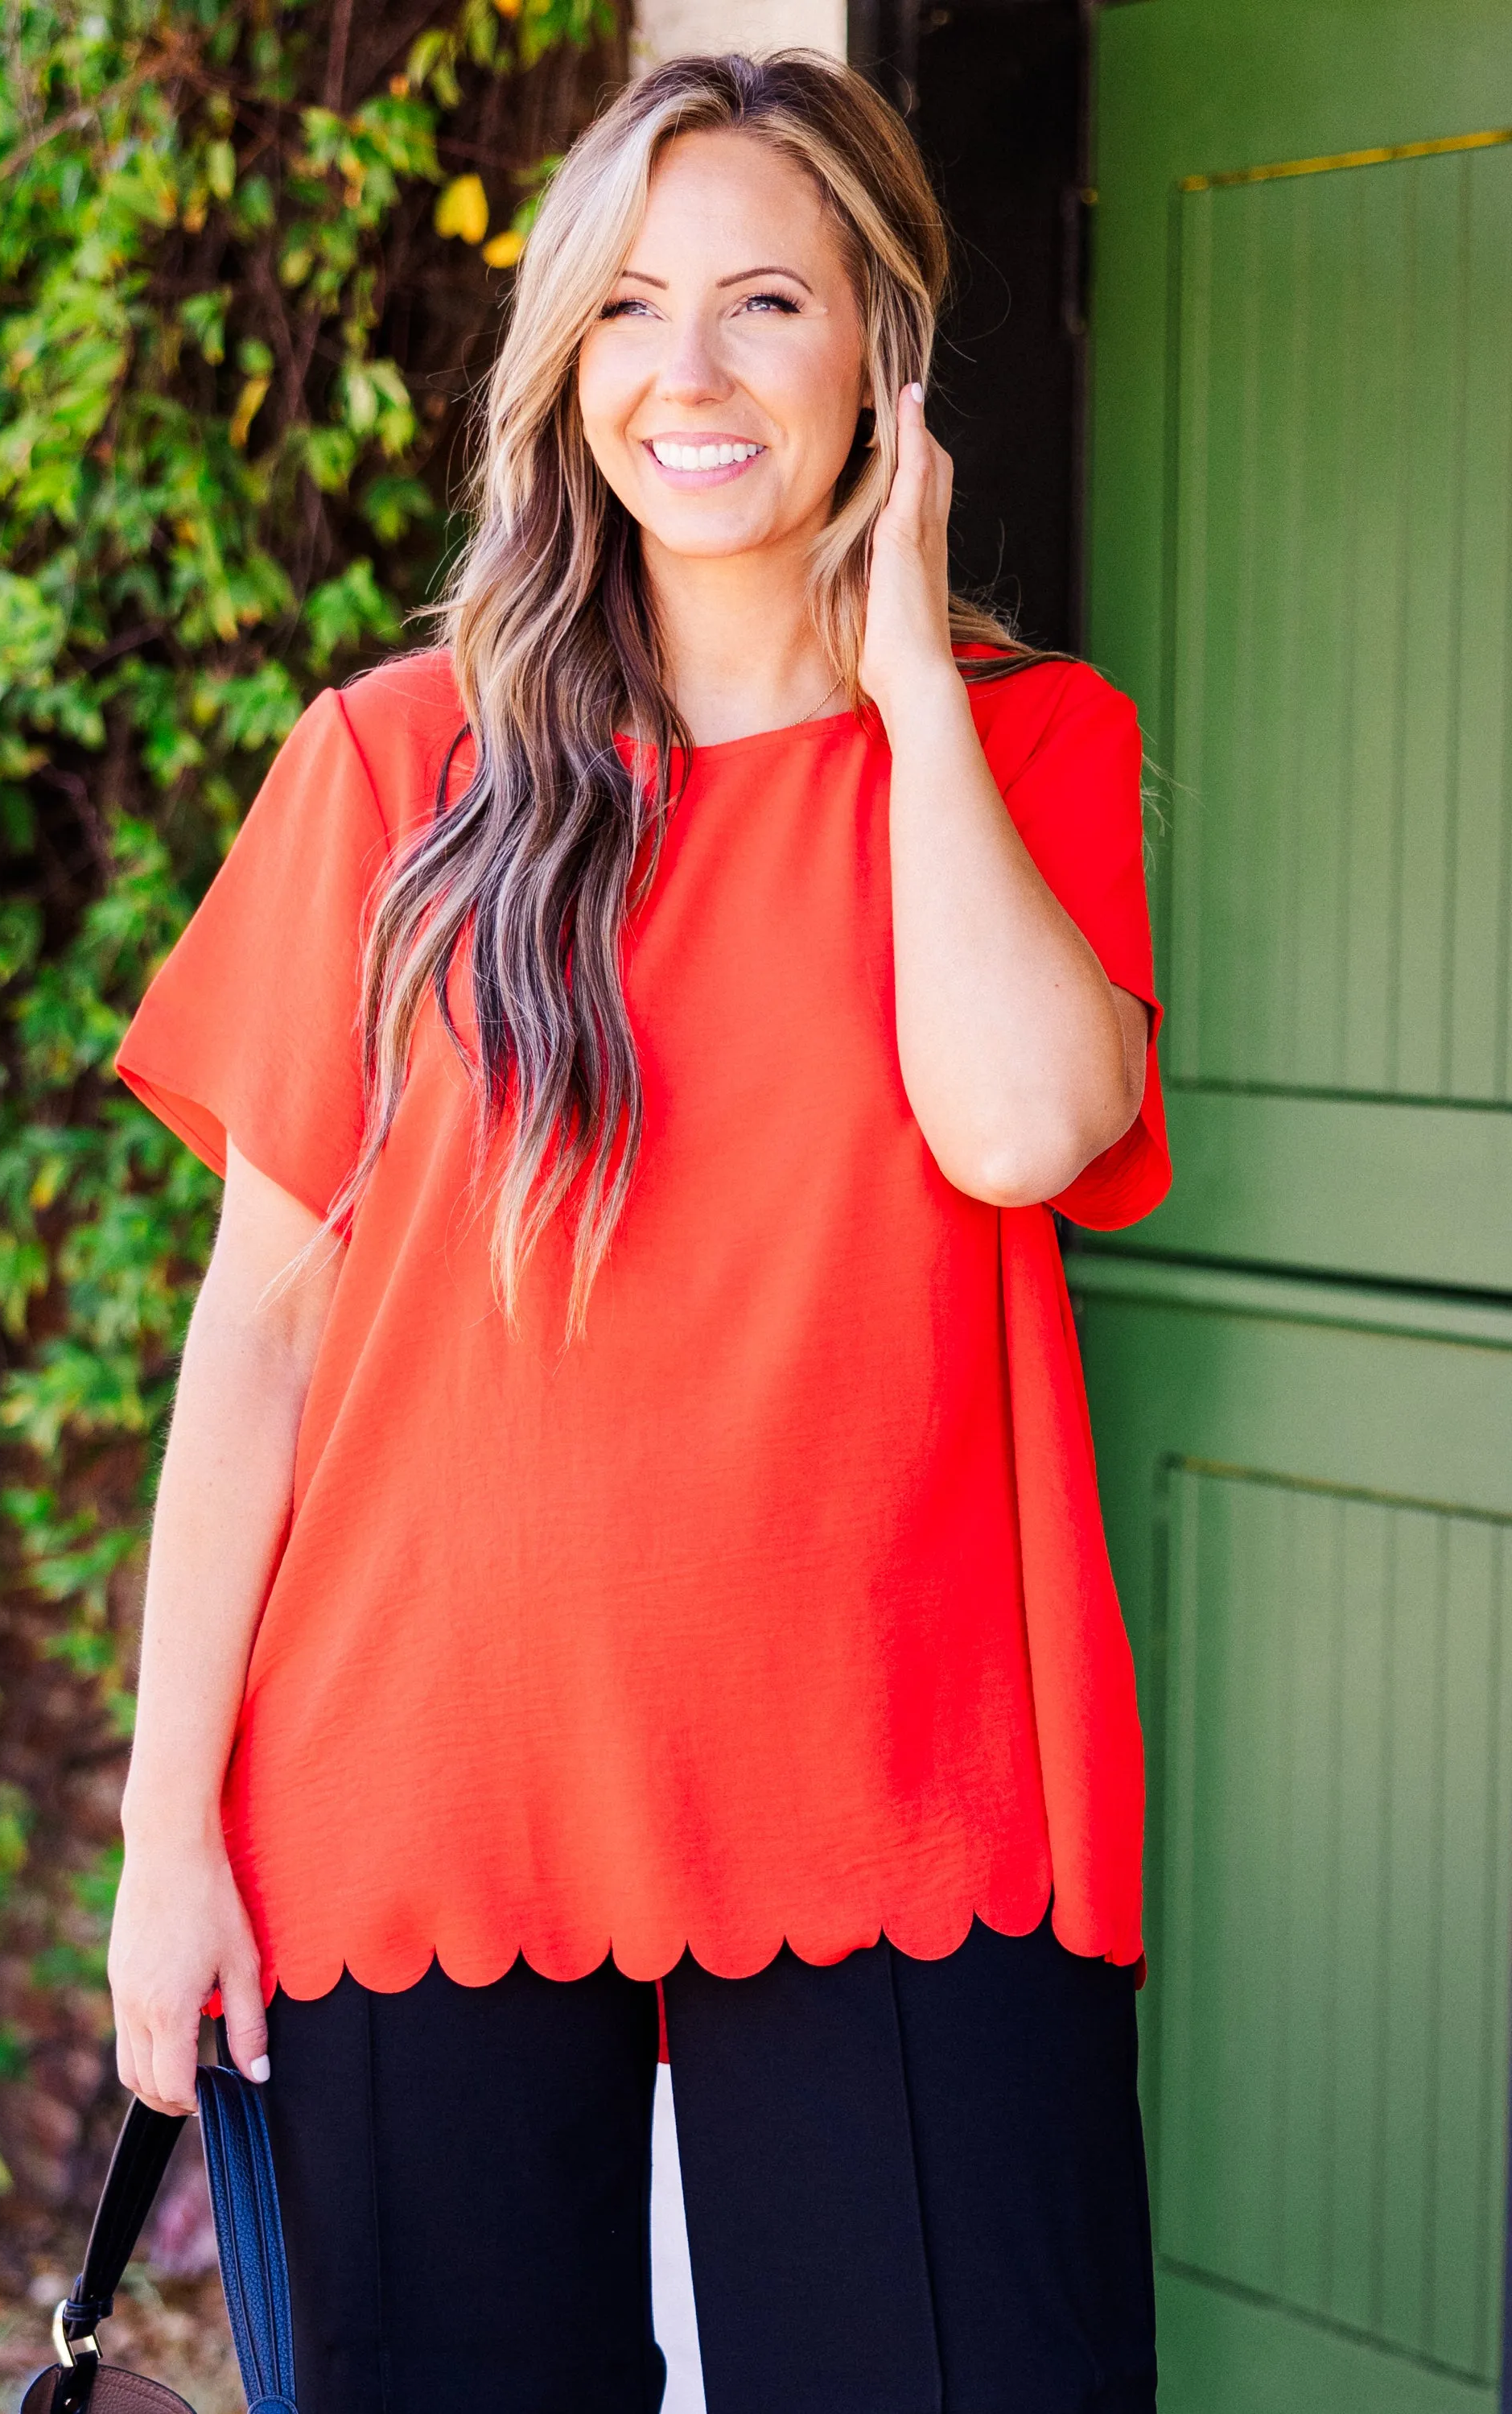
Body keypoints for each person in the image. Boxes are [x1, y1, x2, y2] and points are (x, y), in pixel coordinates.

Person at [106, 47, 1167, 2414]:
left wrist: (899, 673)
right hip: (419, 1794)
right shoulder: (397, 766)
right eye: (628, 310)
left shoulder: (1026, 748)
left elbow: (1022, 1127)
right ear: (566, 360)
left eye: (766, 303)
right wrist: (168, 1837)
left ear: (883, 349)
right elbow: (258, 1338)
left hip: (910, 1795)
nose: (685, 375)